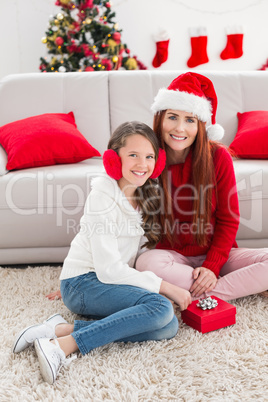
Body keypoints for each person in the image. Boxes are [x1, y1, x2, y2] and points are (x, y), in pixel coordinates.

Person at [12, 121, 192, 385]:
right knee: (161, 306)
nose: (142, 164)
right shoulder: (102, 197)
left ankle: (59, 328)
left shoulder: (144, 194)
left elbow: (125, 255)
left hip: (103, 282)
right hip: (85, 281)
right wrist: (166, 287)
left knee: (167, 326)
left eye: (149, 156)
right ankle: (63, 345)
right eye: (133, 155)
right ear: (112, 159)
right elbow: (109, 270)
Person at [136, 72, 268, 301]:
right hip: (171, 258)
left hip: (219, 256)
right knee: (145, 263)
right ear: (160, 118)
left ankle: (197, 295)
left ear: (201, 125)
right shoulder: (148, 157)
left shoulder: (217, 157)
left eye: (190, 120)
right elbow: (124, 219)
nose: (179, 128)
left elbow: (229, 218)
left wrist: (212, 267)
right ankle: (230, 290)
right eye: (172, 117)